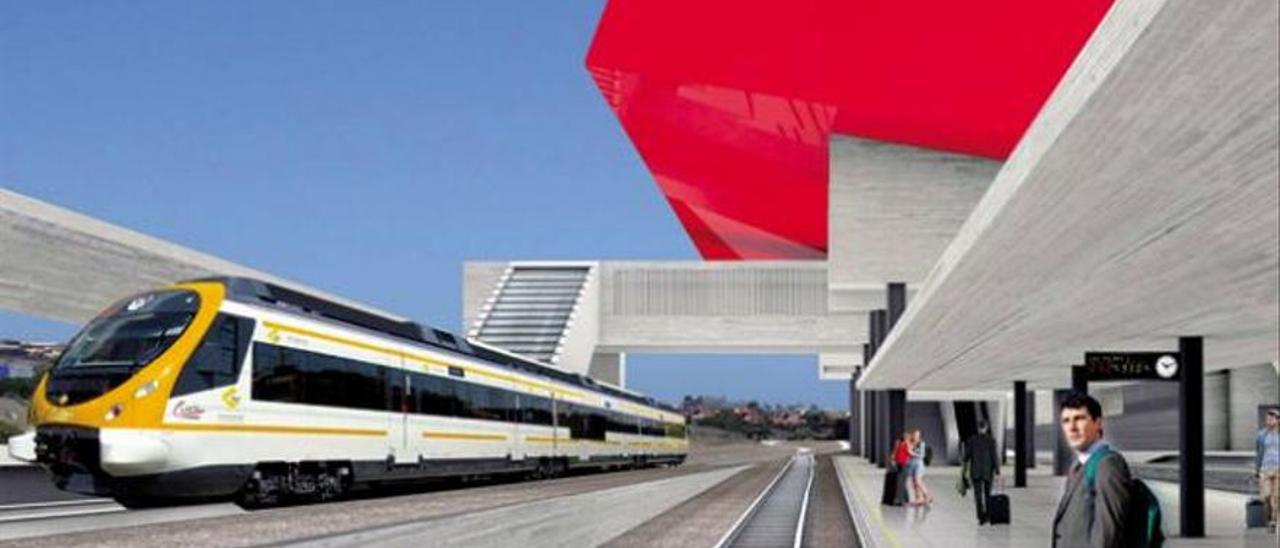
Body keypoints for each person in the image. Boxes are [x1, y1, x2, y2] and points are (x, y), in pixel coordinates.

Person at [1052, 391, 1132, 548]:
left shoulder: (1108, 465)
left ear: (1098, 423)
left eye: (1079, 418)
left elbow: (1108, 534)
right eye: (1066, 421)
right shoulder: (1078, 466)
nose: (1072, 427)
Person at [963, 420, 1000, 524]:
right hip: (988, 471)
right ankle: (988, 514)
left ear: (978, 428)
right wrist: (997, 470)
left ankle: (981, 517)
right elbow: (994, 456)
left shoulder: (972, 440)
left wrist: (964, 462)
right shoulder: (991, 440)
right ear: (986, 428)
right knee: (988, 494)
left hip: (975, 471)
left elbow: (966, 457)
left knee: (978, 495)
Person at [1256, 408, 1280, 531]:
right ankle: (1269, 517)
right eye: (1267, 419)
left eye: (1271, 419)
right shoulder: (1261, 435)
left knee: (1276, 497)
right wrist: (1257, 469)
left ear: (1277, 420)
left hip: (1278, 470)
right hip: (1265, 469)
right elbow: (1259, 453)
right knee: (1266, 496)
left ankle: (1273, 521)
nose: (1268, 421)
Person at [906, 429, 934, 506]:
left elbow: (922, 455)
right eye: (915, 435)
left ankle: (927, 496)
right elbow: (908, 452)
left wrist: (912, 453)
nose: (916, 437)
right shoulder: (911, 443)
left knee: (918, 481)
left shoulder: (921, 444)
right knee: (914, 482)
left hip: (919, 464)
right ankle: (919, 498)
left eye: (917, 435)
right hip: (912, 464)